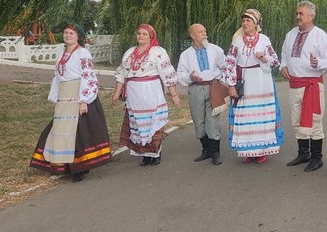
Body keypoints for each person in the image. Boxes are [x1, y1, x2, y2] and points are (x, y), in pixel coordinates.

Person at [29, 23, 111, 182]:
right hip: (64, 95)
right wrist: (55, 96)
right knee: (61, 129)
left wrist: (84, 101)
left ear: (78, 36)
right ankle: (63, 165)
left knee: (77, 131)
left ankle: (79, 168)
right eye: (66, 33)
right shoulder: (61, 53)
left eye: (71, 33)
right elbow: (57, 76)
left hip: (78, 93)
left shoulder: (83, 53)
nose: (67, 36)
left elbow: (88, 76)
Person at [112, 24, 181, 166]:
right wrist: (116, 92)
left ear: (151, 36)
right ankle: (144, 154)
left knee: (152, 123)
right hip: (134, 93)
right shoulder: (129, 52)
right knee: (137, 123)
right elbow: (121, 73)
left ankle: (155, 153)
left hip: (151, 90)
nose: (141, 36)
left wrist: (173, 95)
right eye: (139, 33)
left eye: (144, 34)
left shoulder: (158, 52)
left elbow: (167, 73)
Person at [222, 9, 283, 164]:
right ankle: (248, 150)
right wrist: (231, 84)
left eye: (248, 21)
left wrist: (263, 57)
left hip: (262, 81)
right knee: (244, 115)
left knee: (262, 114)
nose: (245, 23)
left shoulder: (264, 39)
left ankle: (262, 150)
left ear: (256, 23)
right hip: (244, 80)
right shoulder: (237, 41)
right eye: (243, 21)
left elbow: (275, 61)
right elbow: (230, 62)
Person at [280, 1, 327, 172]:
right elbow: (283, 53)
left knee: (315, 122)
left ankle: (317, 158)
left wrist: (318, 62)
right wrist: (283, 66)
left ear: (311, 16)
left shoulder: (320, 35)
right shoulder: (290, 34)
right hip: (294, 84)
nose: (297, 17)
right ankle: (303, 153)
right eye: (297, 13)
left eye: (301, 14)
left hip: (312, 85)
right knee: (296, 120)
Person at [177, 23, 226, 165]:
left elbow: (226, 67)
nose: (205, 34)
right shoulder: (186, 54)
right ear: (192, 35)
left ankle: (215, 152)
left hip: (213, 87)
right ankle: (206, 149)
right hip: (195, 88)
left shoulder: (216, 50)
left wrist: (220, 83)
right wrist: (190, 77)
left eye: (205, 31)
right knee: (198, 121)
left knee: (213, 120)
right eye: (200, 32)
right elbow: (180, 74)